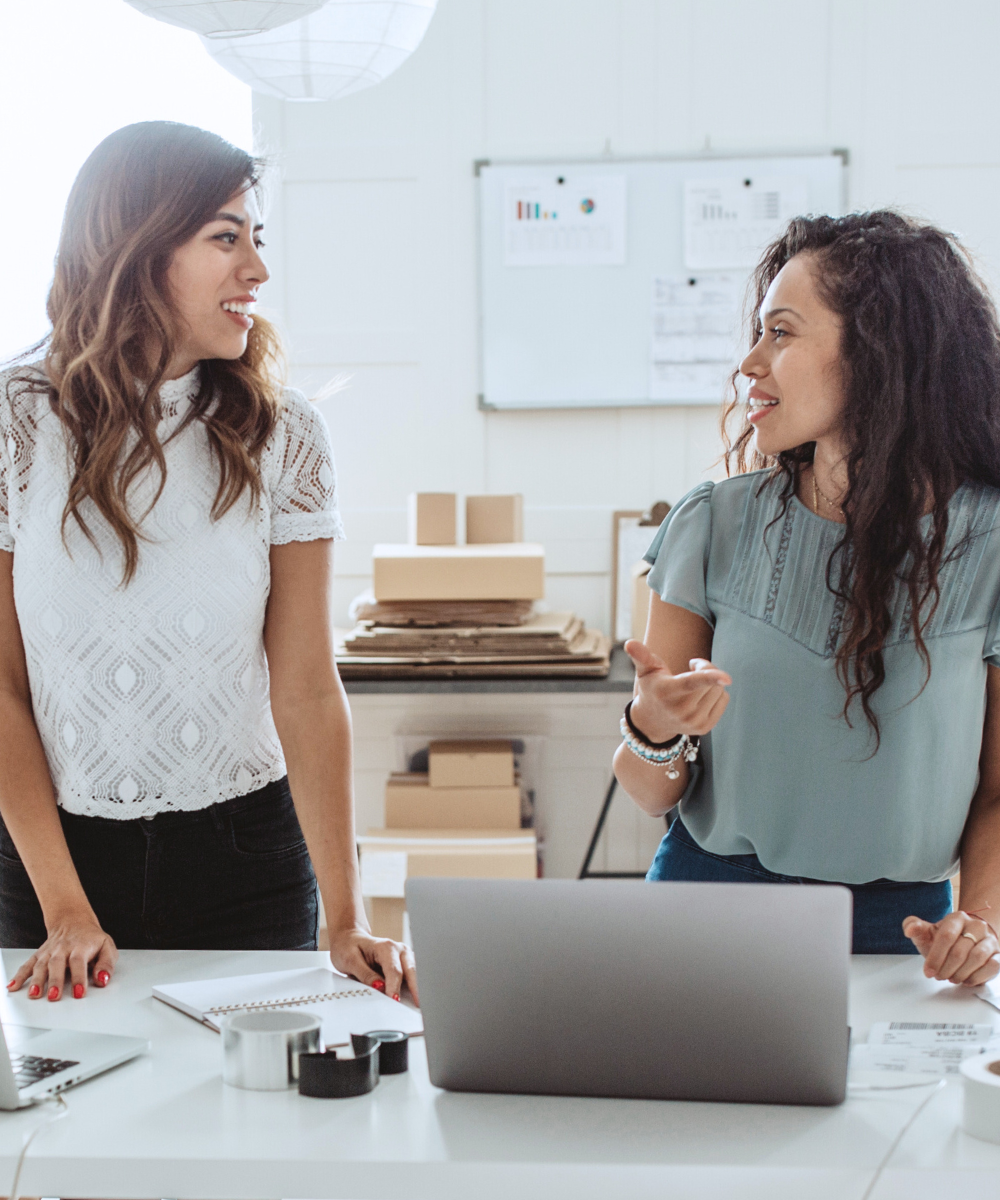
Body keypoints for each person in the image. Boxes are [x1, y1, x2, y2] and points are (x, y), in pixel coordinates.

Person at [0, 121, 416, 1003]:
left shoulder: (285, 433)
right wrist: (66, 906)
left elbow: (304, 684)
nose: (256, 271)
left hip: (247, 860)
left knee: (253, 1125)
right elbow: (2, 686)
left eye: (256, 240)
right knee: (61, 1124)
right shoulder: (16, 424)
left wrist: (348, 918)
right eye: (226, 238)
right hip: (44, 864)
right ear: (136, 249)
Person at [614, 210, 1000, 984]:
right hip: (705, 903)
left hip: (905, 932)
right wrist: (652, 725)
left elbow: (998, 790)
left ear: (881, 353)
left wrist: (981, 925)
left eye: (781, 333)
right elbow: (651, 791)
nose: (749, 363)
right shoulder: (712, 523)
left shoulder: (991, 543)